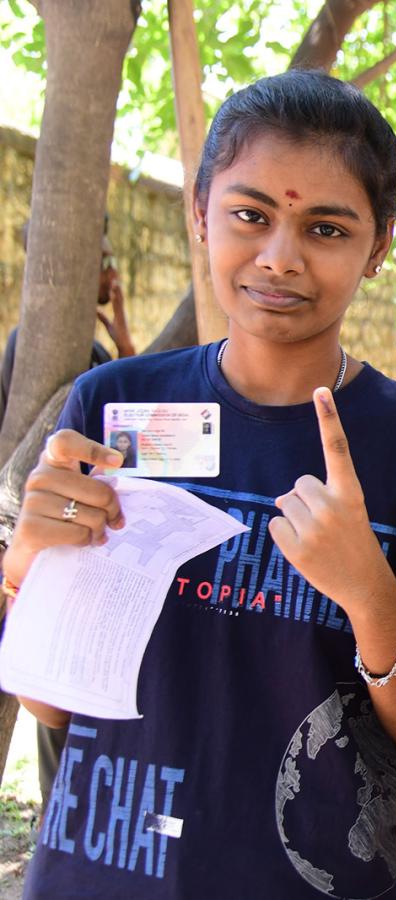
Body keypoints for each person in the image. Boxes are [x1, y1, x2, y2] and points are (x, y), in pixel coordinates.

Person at [0, 71, 396, 898]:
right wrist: (26, 572)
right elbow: (52, 707)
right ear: (199, 214)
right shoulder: (116, 405)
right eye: (250, 215)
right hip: (108, 872)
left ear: (379, 246)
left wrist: (370, 595)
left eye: (326, 227)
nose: (280, 257)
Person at [0, 221, 137, 822]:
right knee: (59, 720)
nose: (110, 273)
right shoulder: (38, 348)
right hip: (50, 548)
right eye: (103, 262)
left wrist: (125, 327)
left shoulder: (104, 356)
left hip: (87, 546)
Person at [0, 225, 136, 426]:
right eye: (105, 262)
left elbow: (126, 414)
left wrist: (125, 347)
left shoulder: (97, 352)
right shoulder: (26, 341)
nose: (113, 272)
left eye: (113, 261)